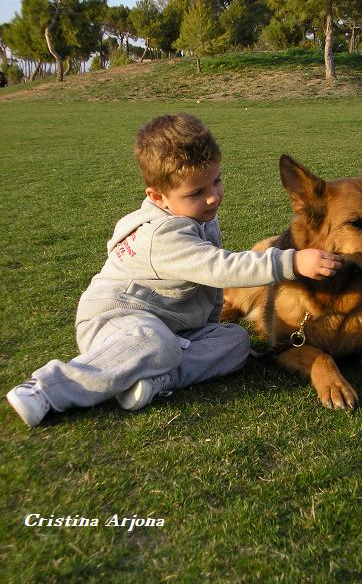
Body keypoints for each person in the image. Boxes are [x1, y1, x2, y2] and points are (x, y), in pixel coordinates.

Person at [6, 113, 343, 427]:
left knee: (236, 341)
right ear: (158, 196)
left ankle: (155, 381)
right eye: (197, 192)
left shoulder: (196, 216)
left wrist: (207, 325)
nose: (212, 198)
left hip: (175, 329)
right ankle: (46, 388)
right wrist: (291, 262)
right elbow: (219, 268)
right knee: (157, 343)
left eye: (216, 182)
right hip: (119, 323)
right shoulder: (162, 235)